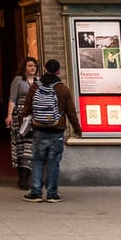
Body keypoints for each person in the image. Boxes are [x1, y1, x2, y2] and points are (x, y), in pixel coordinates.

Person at [24, 57, 82, 203]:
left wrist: (26, 123)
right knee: (53, 162)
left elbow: (26, 107)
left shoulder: (35, 87)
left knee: (37, 160)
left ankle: (36, 192)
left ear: (44, 68)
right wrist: (77, 129)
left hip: (38, 129)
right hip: (57, 130)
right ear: (58, 71)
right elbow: (71, 112)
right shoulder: (62, 89)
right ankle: (52, 193)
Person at [6, 57, 39, 189]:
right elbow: (12, 98)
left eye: (34, 66)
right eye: (30, 66)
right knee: (20, 146)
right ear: (24, 67)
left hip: (33, 117)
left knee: (29, 147)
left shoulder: (38, 81)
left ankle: (26, 177)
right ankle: (21, 176)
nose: (33, 68)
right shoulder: (18, 80)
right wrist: (9, 115)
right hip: (19, 117)